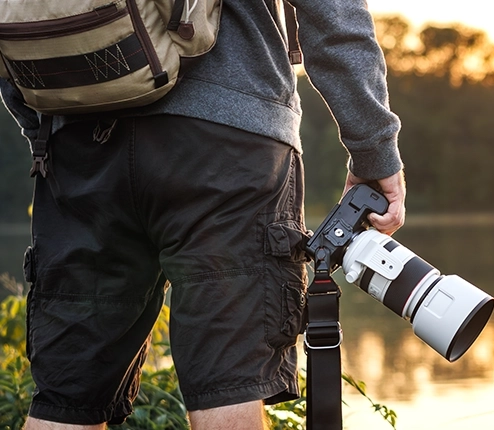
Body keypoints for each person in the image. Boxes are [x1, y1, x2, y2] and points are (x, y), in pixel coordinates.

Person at [0, 0, 405, 428]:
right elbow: (333, 14)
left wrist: (47, 124)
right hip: (226, 143)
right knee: (228, 383)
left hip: (79, 146)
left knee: (67, 400)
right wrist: (374, 152)